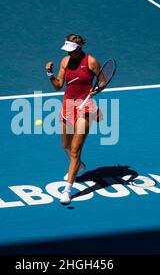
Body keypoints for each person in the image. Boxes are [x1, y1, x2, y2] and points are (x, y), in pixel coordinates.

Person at [45, 34, 104, 204]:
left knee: (76, 150)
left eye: (72, 50)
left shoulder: (91, 62)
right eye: (68, 50)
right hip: (68, 106)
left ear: (79, 48)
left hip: (85, 108)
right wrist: (49, 74)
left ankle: (68, 190)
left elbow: (102, 81)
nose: (69, 53)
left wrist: (97, 90)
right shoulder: (64, 62)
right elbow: (58, 86)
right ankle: (80, 165)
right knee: (66, 146)